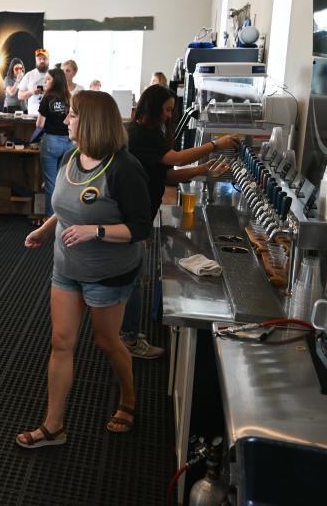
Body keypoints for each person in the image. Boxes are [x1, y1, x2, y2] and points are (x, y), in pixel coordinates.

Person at [17, 91, 152, 448]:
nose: (67, 121)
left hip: (108, 273)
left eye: (74, 115)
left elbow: (140, 229)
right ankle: (54, 426)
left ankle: (128, 399)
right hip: (66, 267)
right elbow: (66, 206)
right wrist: (46, 230)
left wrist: (97, 231)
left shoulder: (124, 168)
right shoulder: (71, 156)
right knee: (61, 342)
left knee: (107, 341)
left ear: (91, 122)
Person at [123, 85, 236, 357]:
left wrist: (203, 170)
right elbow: (172, 159)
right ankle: (126, 337)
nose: (170, 114)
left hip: (142, 212)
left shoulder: (152, 133)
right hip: (134, 212)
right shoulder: (138, 133)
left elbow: (166, 175)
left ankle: (125, 332)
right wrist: (214, 145)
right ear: (154, 107)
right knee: (133, 279)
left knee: (136, 275)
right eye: (167, 109)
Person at [37, 67, 74, 217]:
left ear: (55, 81)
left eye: (48, 79)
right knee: (63, 182)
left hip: (51, 142)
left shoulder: (47, 98)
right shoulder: (69, 97)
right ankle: (62, 218)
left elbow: (40, 124)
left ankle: (50, 219)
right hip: (68, 143)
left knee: (51, 183)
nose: (45, 81)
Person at [18, 49, 50, 114]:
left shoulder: (54, 74)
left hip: (50, 117)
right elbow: (20, 96)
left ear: (48, 59)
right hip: (33, 116)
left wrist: (48, 92)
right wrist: (31, 92)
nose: (42, 61)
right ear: (36, 60)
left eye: (44, 58)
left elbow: (61, 94)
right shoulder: (29, 75)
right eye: (39, 59)